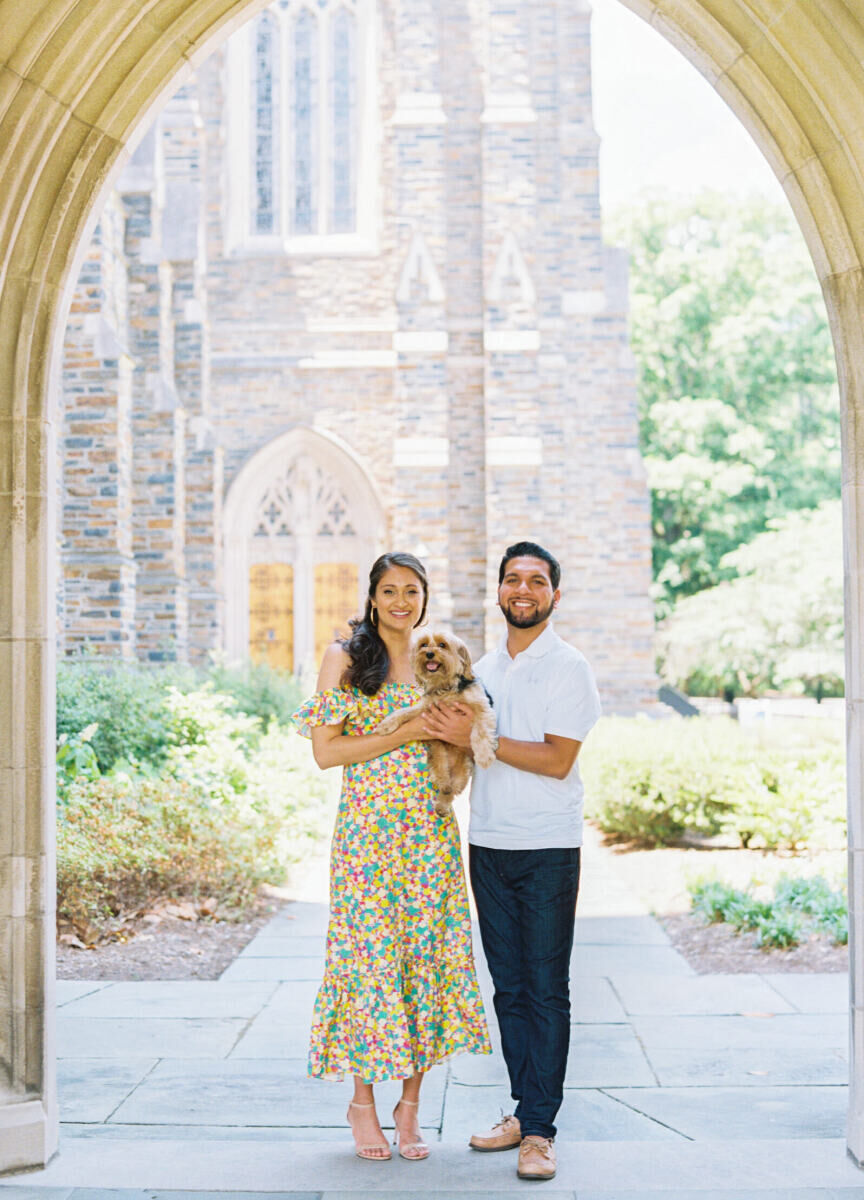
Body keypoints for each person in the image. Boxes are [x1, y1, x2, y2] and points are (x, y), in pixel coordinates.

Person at [293, 551, 491, 1163]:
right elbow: (328, 753)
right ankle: (362, 1105)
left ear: (424, 598)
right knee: (369, 966)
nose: (401, 601)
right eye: (390, 590)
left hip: (429, 834)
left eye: (412, 590)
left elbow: (473, 728)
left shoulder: (444, 661)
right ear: (372, 597)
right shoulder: (346, 658)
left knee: (423, 966)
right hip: (367, 840)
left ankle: (410, 1110)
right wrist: (403, 733)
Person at [424, 540, 601, 1182]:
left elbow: (557, 760)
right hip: (489, 843)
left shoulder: (569, 667)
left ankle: (542, 1133)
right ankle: (525, 1111)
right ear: (498, 592)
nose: (522, 591)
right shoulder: (484, 667)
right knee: (510, 990)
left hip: (549, 846)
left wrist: (471, 734)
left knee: (547, 989)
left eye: (536, 581)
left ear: (555, 594)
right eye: (511, 580)